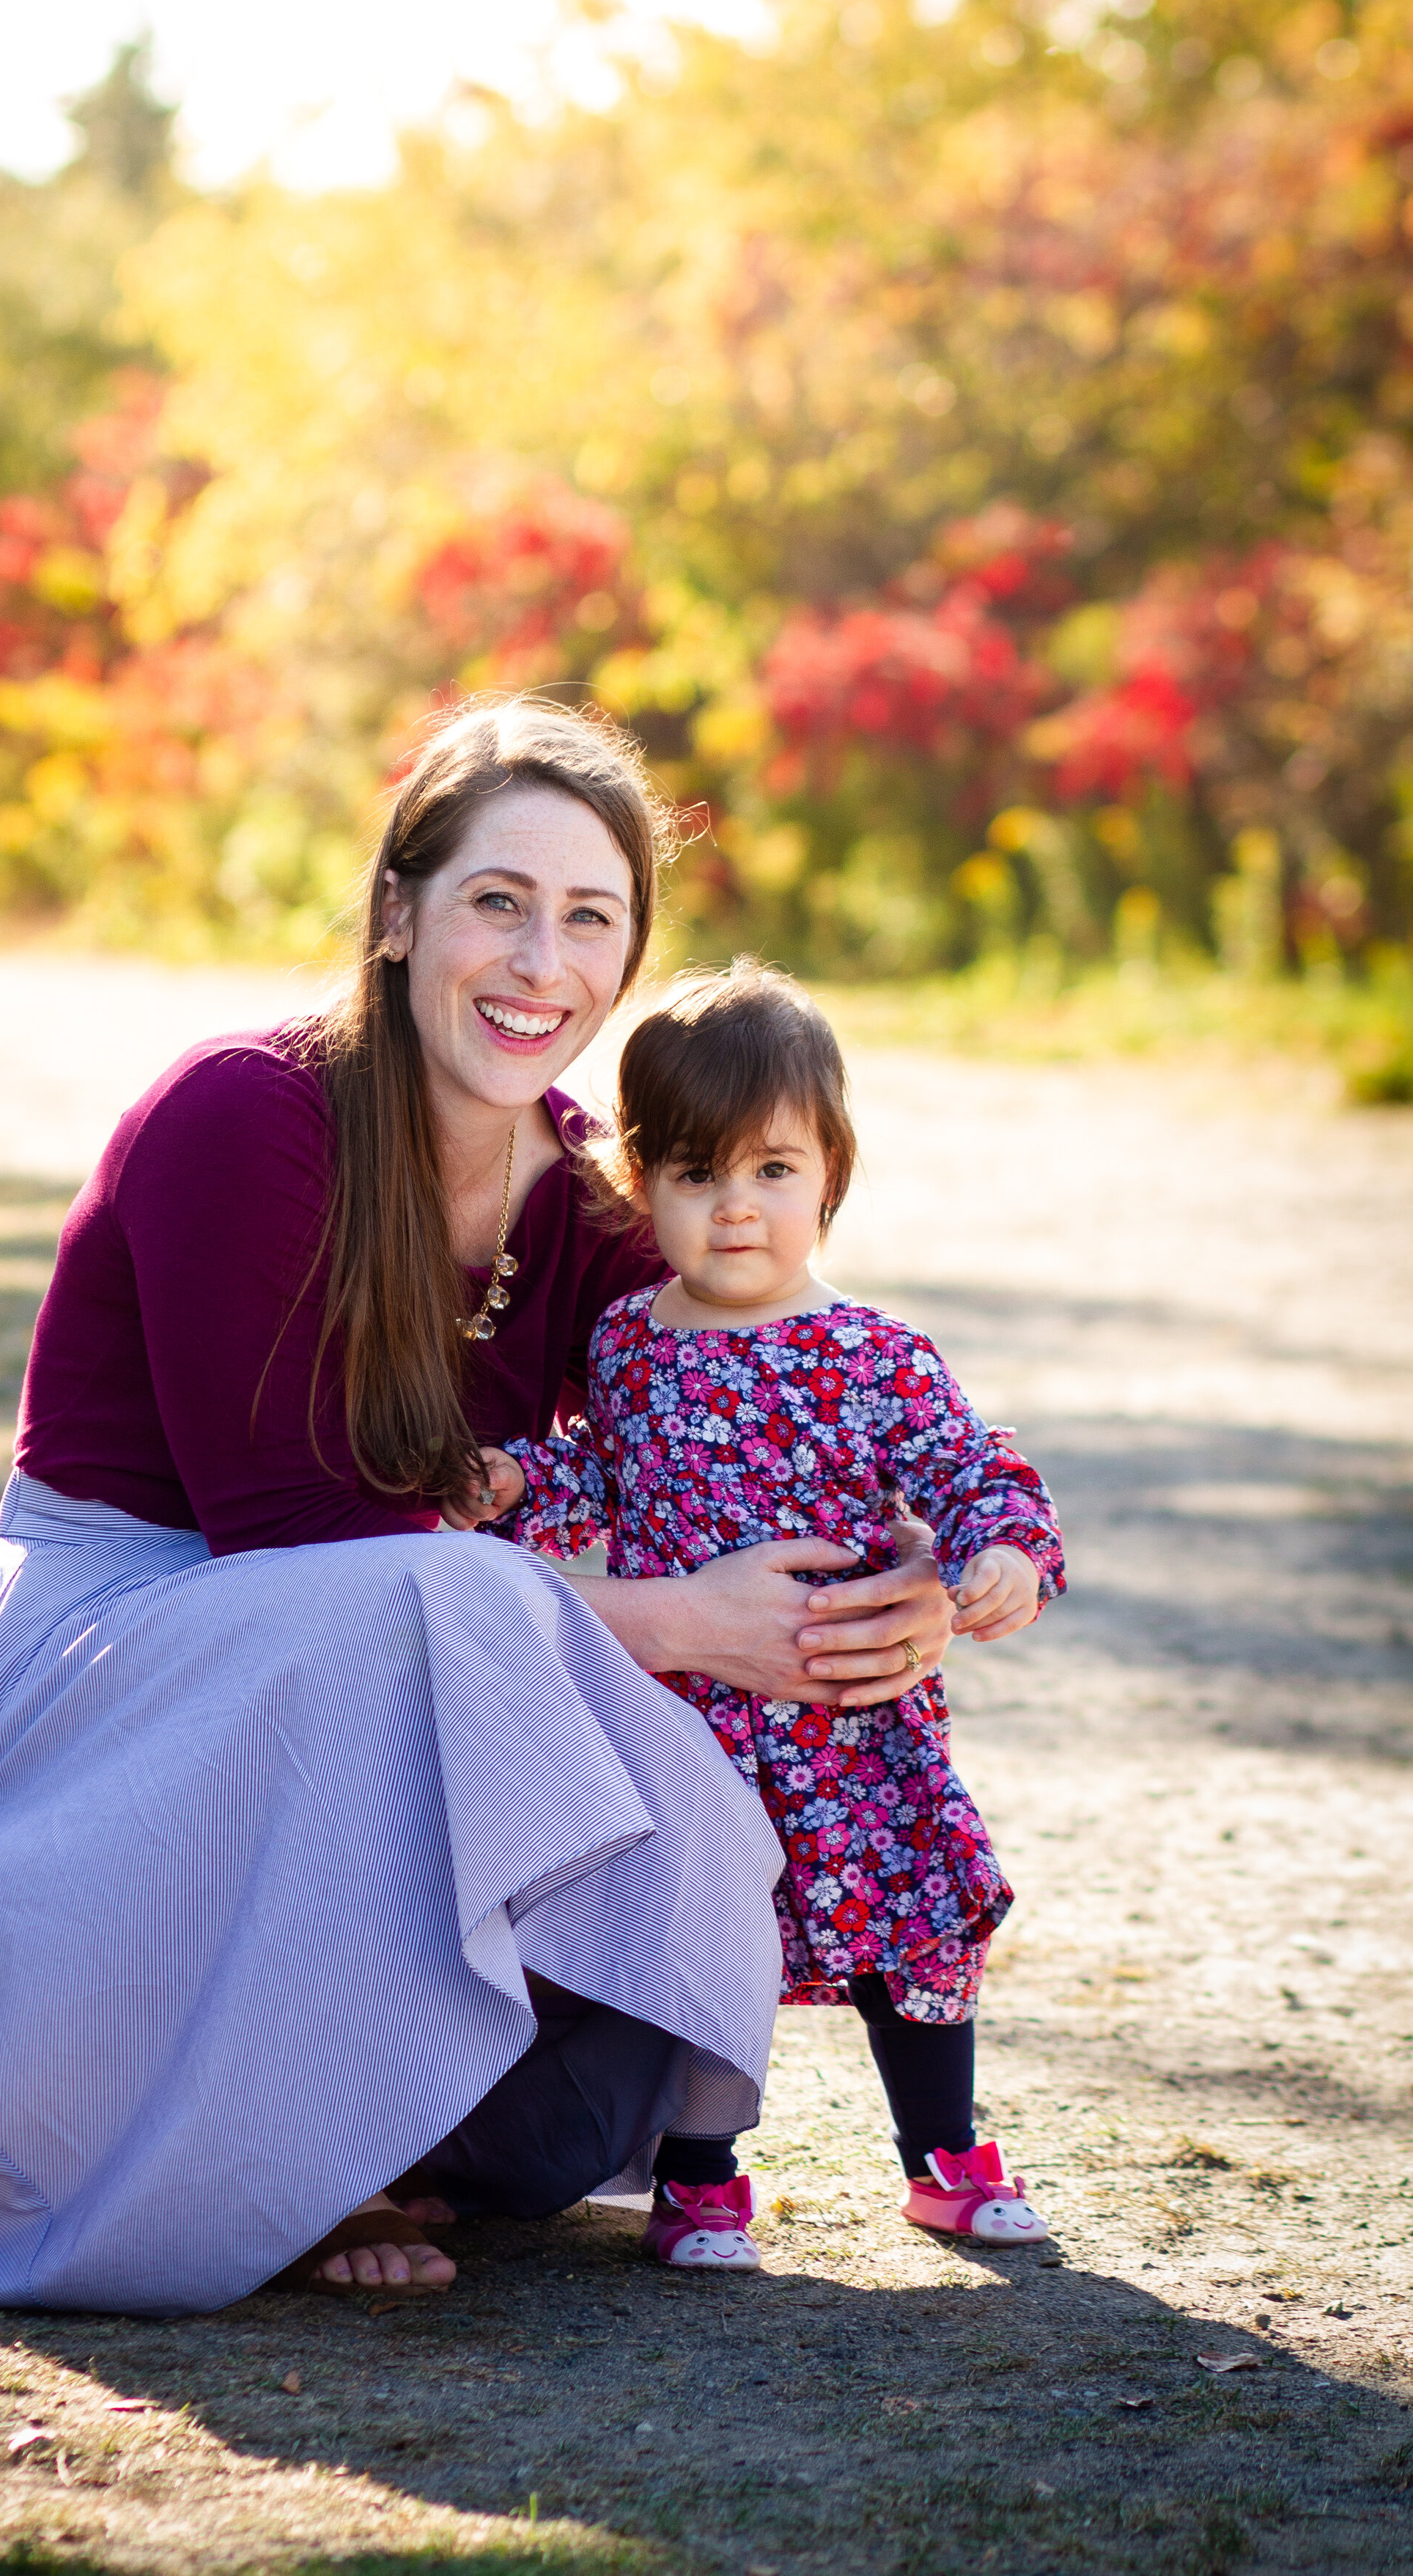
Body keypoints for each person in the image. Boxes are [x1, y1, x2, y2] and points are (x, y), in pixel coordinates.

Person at [0, 703, 956, 2316]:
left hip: (387, 1649)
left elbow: (761, 1378)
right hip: (114, 1665)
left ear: (623, 968)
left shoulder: (590, 1208)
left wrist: (903, 1570)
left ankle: (380, 2121)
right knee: (438, 1600)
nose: (536, 959)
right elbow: (290, 1529)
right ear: (399, 913)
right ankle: (286, 2154)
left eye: (588, 918)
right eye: (496, 901)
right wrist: (685, 1625)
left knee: (587, 2106)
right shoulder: (244, 1117)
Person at [449, 961, 1060, 2265]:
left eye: (773, 1172)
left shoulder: (873, 1351)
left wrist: (1001, 1547)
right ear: (640, 1185)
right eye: (695, 1174)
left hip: (849, 1719)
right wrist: (512, 1480)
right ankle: (700, 2171)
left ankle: (942, 2153)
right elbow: (595, 1468)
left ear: (830, 1174)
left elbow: (966, 1465)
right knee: (708, 1937)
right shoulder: (627, 1343)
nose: (737, 1210)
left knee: (910, 1923)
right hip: (689, 1721)